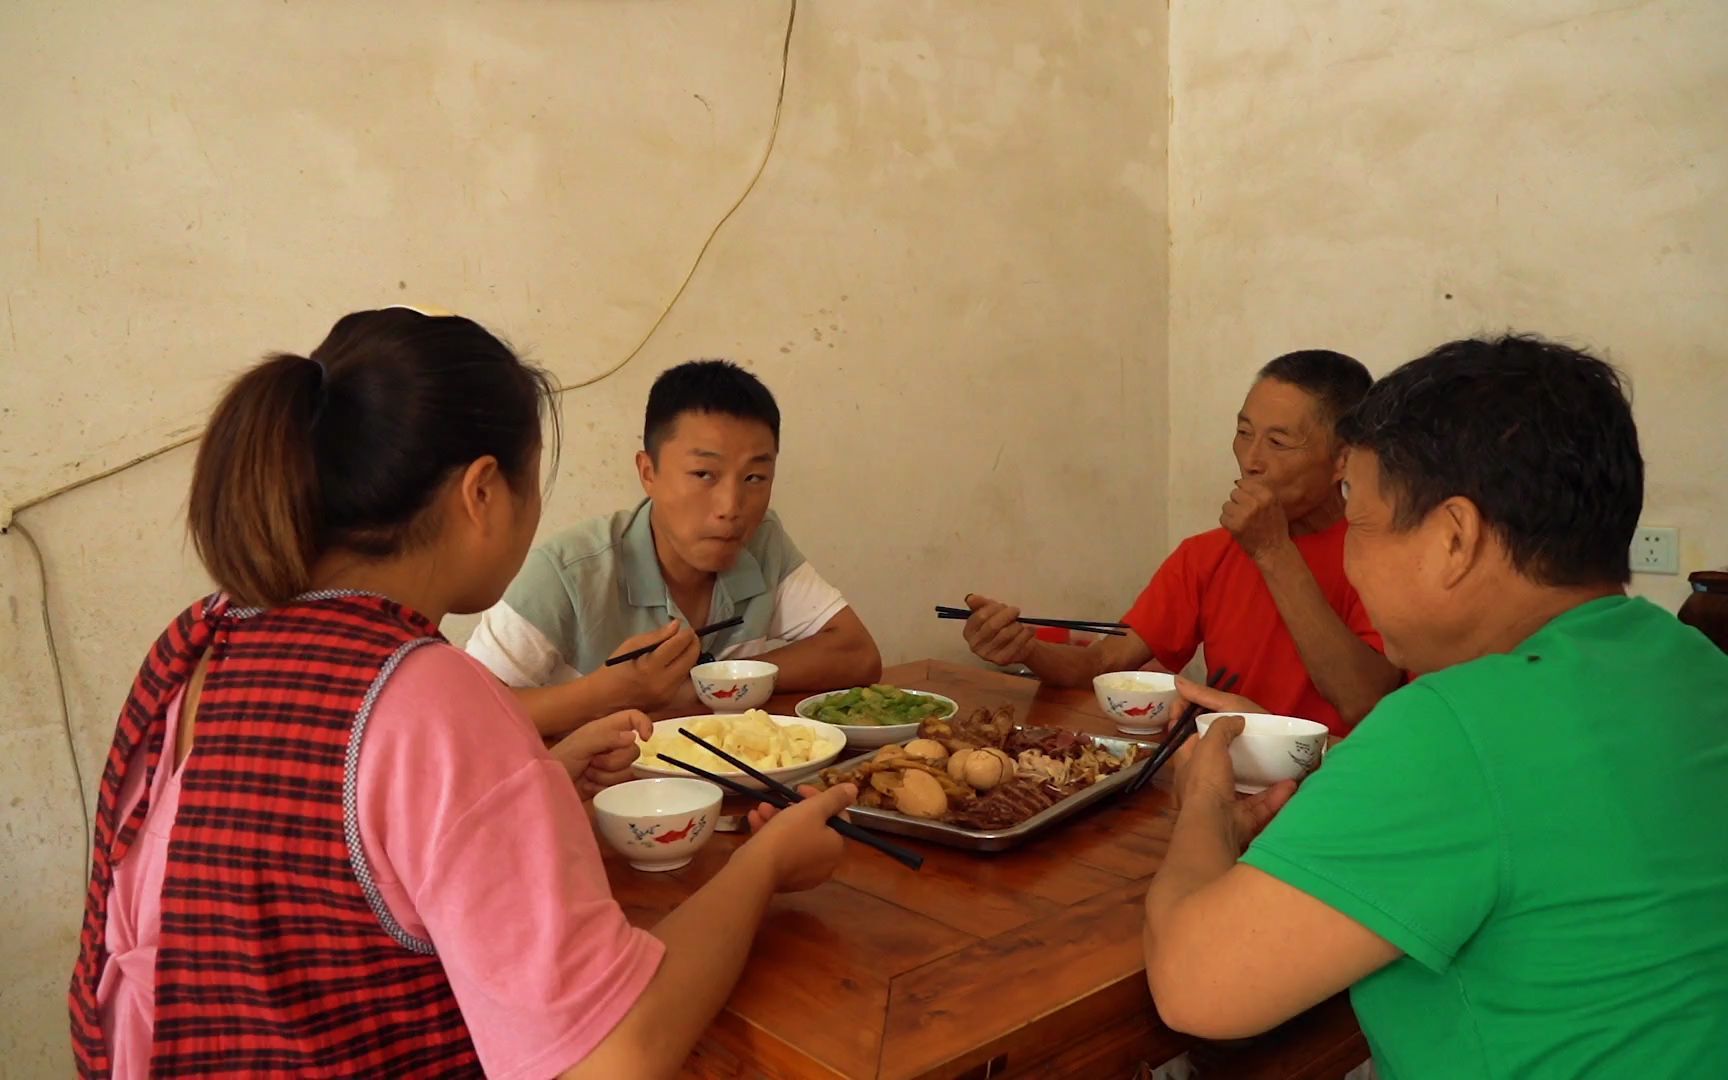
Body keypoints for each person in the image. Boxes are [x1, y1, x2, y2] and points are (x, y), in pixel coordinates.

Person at [68, 309, 859, 1078]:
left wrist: (535, 780)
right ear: (483, 492)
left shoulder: (204, 635)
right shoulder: (426, 693)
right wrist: (762, 864)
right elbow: (611, 1058)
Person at [1143, 335, 1728, 1076]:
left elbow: (1197, 989)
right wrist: (1327, 758)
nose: (1349, 554)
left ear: (1455, 539)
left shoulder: (1452, 722)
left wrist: (1202, 802)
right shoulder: (1689, 661)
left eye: (1358, 515)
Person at [963, 350, 1400, 736]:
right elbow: (1103, 665)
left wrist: (1272, 551)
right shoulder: (1207, 555)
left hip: (1334, 789)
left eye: (1278, 442)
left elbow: (1363, 702)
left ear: (1343, 459)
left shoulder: (1388, 556)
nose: (1251, 461)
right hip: (1222, 776)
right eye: (1244, 432)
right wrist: (1026, 648)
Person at [467, 359, 882, 736]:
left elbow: (856, 652)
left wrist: (712, 681)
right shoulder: (570, 570)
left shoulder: (761, 541)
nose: (731, 507)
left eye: (755, 478)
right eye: (704, 474)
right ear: (648, 472)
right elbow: (467, 714)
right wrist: (607, 692)